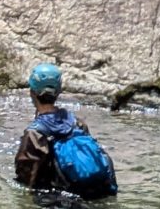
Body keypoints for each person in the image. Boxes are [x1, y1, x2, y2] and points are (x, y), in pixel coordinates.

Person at [13, 63, 116, 197]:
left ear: (32, 92)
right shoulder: (77, 123)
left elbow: (26, 180)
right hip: (91, 194)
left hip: (58, 203)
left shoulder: (34, 134)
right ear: (58, 92)